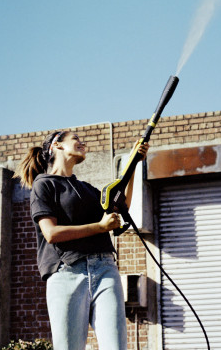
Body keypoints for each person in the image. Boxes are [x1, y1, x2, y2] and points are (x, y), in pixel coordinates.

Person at [15, 130, 149, 350]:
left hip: (105, 269)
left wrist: (133, 163)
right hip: (66, 273)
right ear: (56, 146)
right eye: (76, 139)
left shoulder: (86, 189)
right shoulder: (44, 185)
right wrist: (100, 227)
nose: (82, 142)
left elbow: (119, 204)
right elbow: (51, 233)